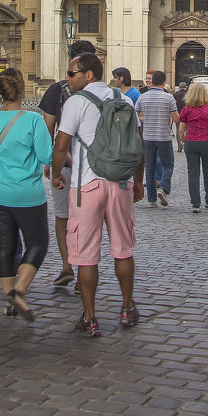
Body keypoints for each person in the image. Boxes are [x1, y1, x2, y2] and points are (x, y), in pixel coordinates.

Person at [51, 52, 143, 337]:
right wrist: (138, 182)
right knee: (123, 250)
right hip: (120, 183)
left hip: (85, 185)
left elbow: (61, 145)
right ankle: (127, 307)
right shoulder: (124, 99)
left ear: (88, 74)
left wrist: (56, 174)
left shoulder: (75, 102)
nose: (67, 78)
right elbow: (138, 145)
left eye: (71, 73)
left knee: (86, 254)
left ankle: (89, 318)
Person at [0, 69, 52, 321]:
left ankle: (8, 300)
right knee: (37, 243)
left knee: (5, 245)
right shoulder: (33, 120)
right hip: (27, 193)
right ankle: (19, 290)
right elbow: (46, 156)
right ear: (22, 91)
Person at [38, 39, 96, 290]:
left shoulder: (56, 90)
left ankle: (66, 266)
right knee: (85, 219)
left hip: (66, 164)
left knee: (63, 216)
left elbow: (47, 129)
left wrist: (49, 161)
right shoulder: (105, 92)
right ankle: (84, 265)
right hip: (94, 168)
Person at [135, 70, 178, 208]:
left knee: (150, 167)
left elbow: (135, 115)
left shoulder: (143, 97)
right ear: (164, 83)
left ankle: (151, 200)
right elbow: (176, 118)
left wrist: (144, 118)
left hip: (148, 136)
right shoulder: (169, 98)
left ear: (152, 81)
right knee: (169, 164)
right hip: (163, 136)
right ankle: (163, 188)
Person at [179, 83, 208, 213]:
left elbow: (181, 130)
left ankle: (195, 204)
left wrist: (183, 142)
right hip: (207, 143)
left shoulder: (186, 109)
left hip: (191, 142)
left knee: (193, 173)